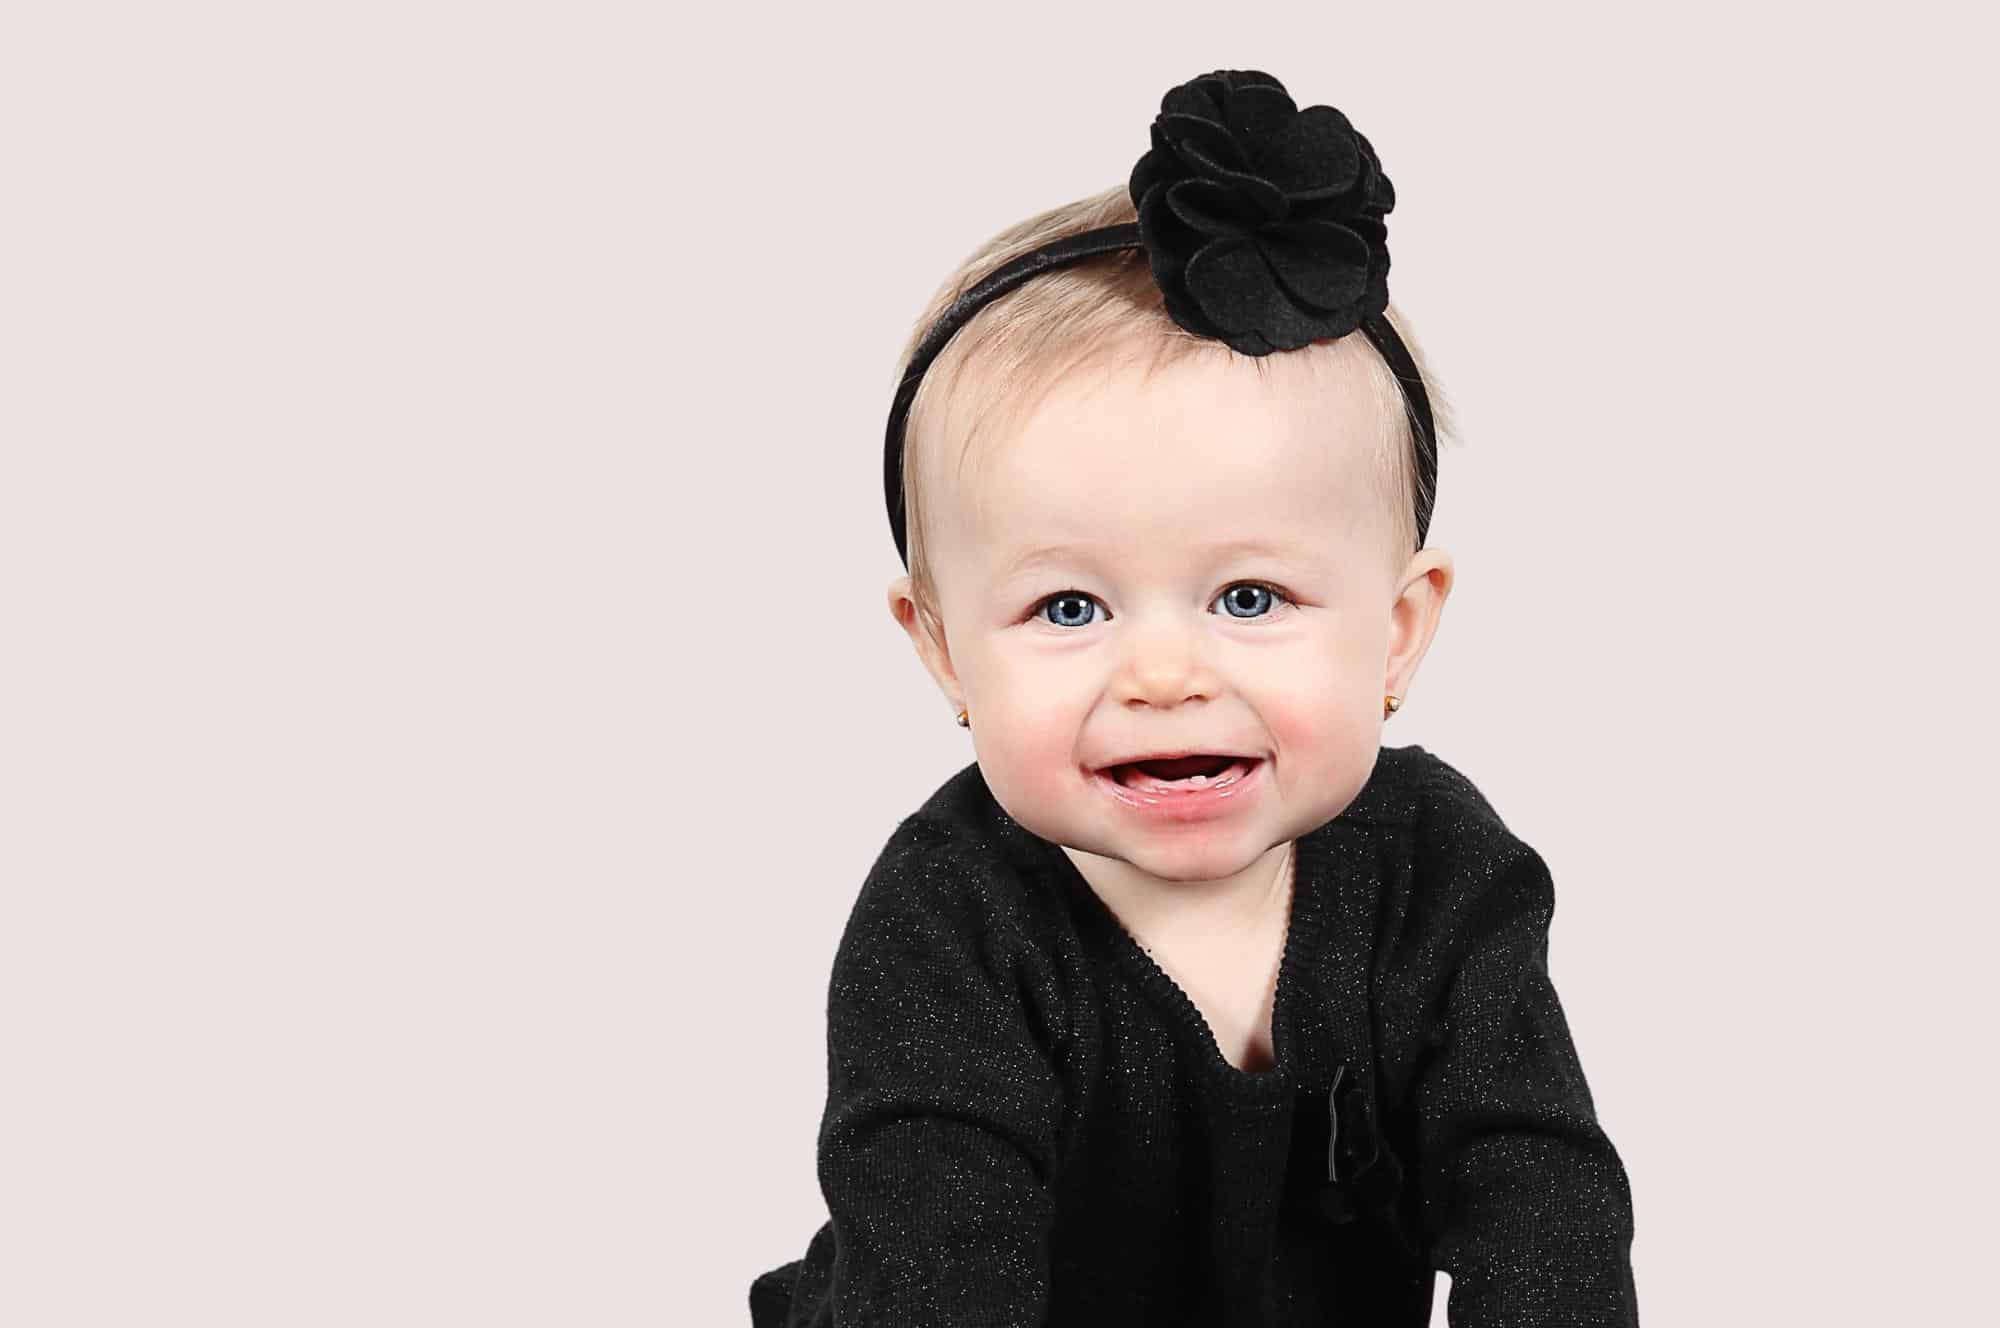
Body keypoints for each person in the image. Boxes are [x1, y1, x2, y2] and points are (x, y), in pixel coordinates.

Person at [748, 69, 1639, 1327]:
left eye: (1248, 597)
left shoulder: (1439, 873)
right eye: (1069, 609)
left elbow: (1542, 1191)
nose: (1164, 676)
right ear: (944, 652)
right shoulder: (949, 920)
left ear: (1395, 630)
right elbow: (937, 1256)